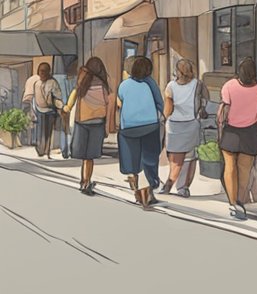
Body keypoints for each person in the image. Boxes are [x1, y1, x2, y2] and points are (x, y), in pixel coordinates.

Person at [115, 56, 165, 209]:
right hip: (150, 125)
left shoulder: (123, 85)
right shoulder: (151, 84)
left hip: (129, 127)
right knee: (149, 158)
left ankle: (136, 186)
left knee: (132, 159)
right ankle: (149, 190)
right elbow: (160, 103)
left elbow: (120, 103)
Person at [219, 58, 257, 221]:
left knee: (230, 168)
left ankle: (232, 203)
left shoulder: (229, 86)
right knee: (244, 170)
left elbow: (224, 109)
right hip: (250, 132)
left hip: (231, 131)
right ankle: (240, 201)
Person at [66, 57, 113, 196]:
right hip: (97, 123)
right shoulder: (103, 86)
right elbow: (107, 103)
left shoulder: (82, 81)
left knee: (84, 156)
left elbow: (74, 95)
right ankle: (86, 181)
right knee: (90, 157)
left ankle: (83, 181)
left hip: (82, 121)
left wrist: (67, 107)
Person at [162, 59, 206, 197]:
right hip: (192, 124)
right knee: (189, 158)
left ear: (177, 71)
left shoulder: (170, 86)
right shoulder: (198, 84)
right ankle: (183, 187)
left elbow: (168, 109)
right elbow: (205, 101)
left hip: (174, 125)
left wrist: (163, 118)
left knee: (175, 158)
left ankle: (169, 183)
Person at [30, 62, 64, 159]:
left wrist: (59, 106)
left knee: (48, 132)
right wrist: (33, 110)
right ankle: (40, 150)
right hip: (39, 110)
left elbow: (58, 96)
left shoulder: (53, 82)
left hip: (50, 111)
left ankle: (47, 151)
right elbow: (34, 98)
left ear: (49, 72)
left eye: (45, 71)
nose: (42, 73)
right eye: (41, 71)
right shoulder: (36, 84)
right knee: (40, 131)